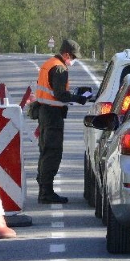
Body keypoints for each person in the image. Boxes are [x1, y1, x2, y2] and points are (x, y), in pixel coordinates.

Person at [35, 38, 92, 204]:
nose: (73, 60)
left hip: (44, 112)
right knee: (53, 152)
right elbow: (60, 94)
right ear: (66, 54)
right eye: (73, 57)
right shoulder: (60, 69)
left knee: (45, 151)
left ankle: (44, 187)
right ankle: (46, 192)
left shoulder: (49, 63)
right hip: (53, 115)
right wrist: (79, 98)